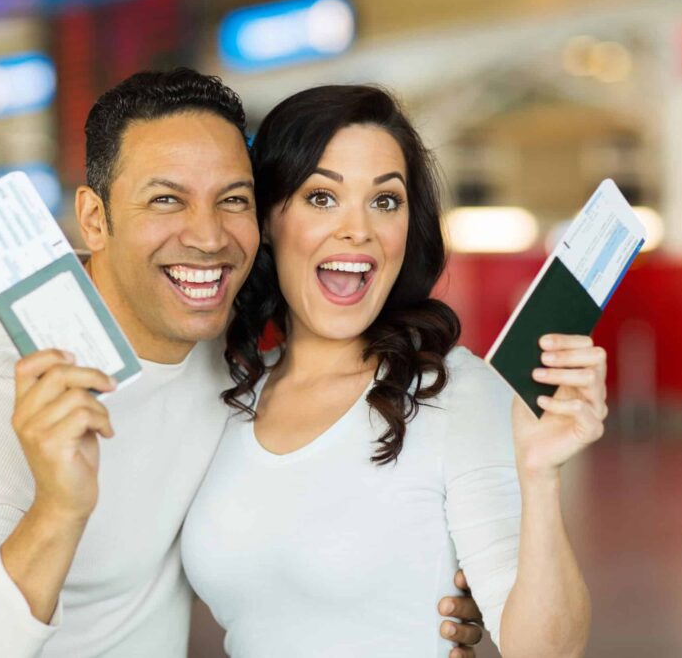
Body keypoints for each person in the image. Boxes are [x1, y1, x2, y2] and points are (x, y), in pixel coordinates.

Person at [0, 69, 485, 657]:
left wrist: (416, 598)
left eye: (232, 200)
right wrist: (57, 511)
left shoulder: (230, 361)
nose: (209, 236)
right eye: (166, 199)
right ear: (93, 218)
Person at [181, 85, 607, 657]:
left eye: (385, 201)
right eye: (322, 198)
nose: (358, 230)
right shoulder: (229, 392)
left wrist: (540, 475)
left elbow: (546, 652)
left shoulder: (454, 394)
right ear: (267, 218)